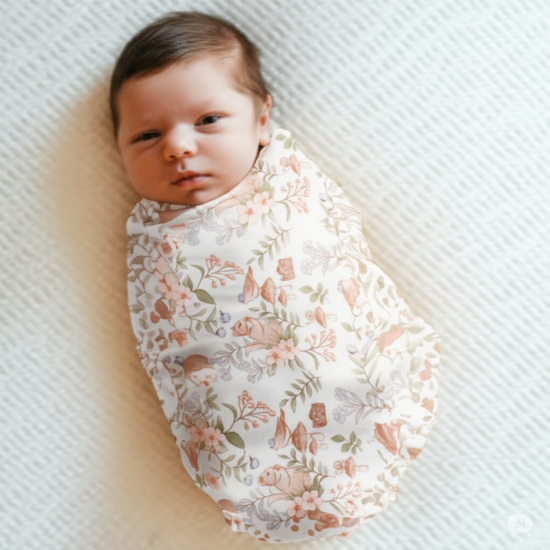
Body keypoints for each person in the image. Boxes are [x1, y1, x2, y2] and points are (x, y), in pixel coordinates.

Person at [111, 12, 440, 543]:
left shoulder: (287, 185)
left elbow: (338, 249)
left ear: (263, 121)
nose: (178, 146)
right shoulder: (156, 240)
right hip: (244, 426)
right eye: (147, 135)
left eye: (208, 120)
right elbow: (169, 339)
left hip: (351, 374)